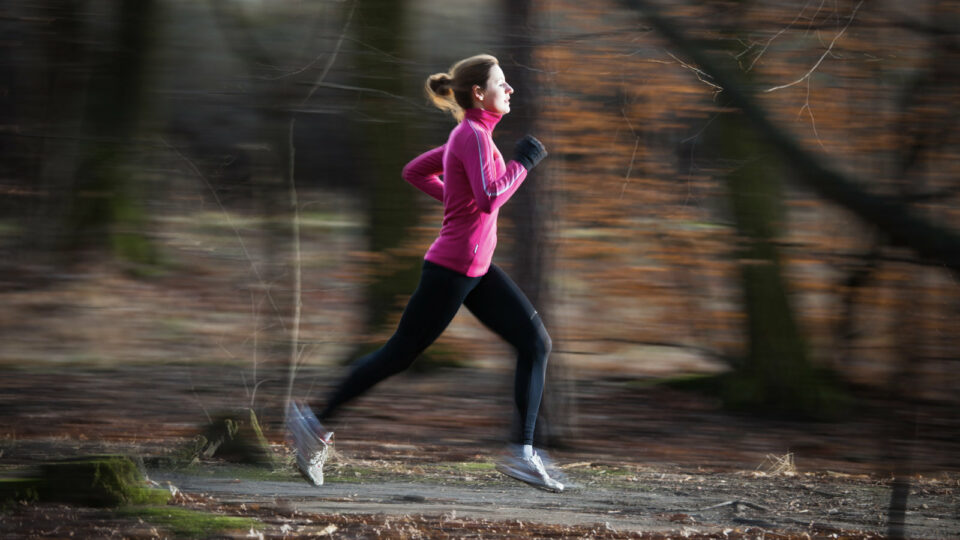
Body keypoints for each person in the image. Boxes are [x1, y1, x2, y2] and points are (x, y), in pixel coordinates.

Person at [286, 54, 561, 492]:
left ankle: (522, 453)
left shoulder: (472, 136)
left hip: (476, 268)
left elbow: (416, 172)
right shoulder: (471, 135)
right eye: (502, 83)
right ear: (479, 93)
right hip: (452, 269)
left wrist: (460, 200)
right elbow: (490, 197)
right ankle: (313, 423)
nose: (510, 90)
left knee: (535, 342)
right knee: (399, 353)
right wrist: (522, 165)